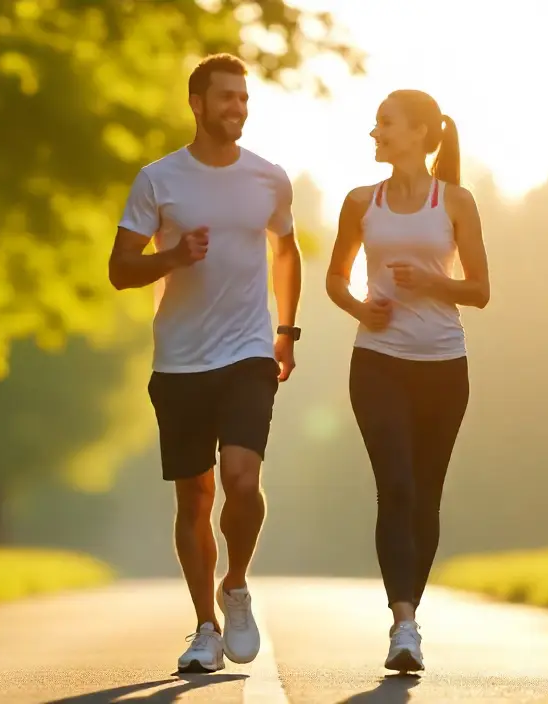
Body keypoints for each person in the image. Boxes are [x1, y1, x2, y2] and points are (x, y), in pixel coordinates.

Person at [107, 53, 302, 674]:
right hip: (181, 359)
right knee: (194, 496)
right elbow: (119, 269)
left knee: (243, 480)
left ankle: (236, 583)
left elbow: (287, 250)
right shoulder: (158, 180)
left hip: (248, 351)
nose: (237, 109)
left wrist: (287, 332)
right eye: (226, 98)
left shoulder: (269, 179)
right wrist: (172, 258)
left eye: (244, 99)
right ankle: (203, 627)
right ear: (197, 103)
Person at [324, 89, 489, 673]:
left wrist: (429, 283)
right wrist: (359, 309)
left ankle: (409, 612)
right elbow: (336, 278)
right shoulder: (359, 202)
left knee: (425, 494)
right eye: (375, 126)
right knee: (395, 487)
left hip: (444, 366)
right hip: (378, 362)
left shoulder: (457, 202)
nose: (375, 134)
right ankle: (403, 623)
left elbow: (480, 291)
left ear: (420, 133)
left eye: (385, 125)